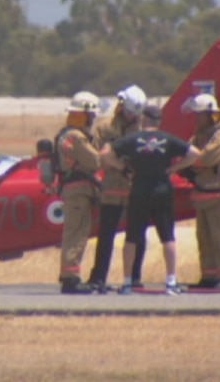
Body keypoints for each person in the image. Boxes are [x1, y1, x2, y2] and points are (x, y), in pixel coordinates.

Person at [101, 105, 200, 296]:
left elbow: (105, 154)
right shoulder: (168, 139)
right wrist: (174, 168)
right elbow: (195, 154)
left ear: (144, 120)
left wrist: (122, 168)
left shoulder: (132, 139)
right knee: (168, 237)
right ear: (159, 121)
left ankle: (128, 283)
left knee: (132, 237)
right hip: (163, 190)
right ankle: (171, 282)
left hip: (139, 190)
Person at [88, 85, 148, 294]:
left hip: (137, 190)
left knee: (137, 235)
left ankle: (134, 278)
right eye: (130, 112)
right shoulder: (106, 128)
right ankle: (98, 278)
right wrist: (119, 165)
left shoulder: (144, 130)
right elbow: (98, 157)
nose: (132, 117)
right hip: (112, 189)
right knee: (106, 236)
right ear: (122, 106)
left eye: (136, 114)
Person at [177, 93, 220, 289]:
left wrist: (191, 161)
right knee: (205, 240)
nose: (197, 120)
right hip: (203, 197)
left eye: (200, 115)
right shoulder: (198, 137)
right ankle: (209, 276)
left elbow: (206, 159)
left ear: (211, 115)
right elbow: (184, 157)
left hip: (219, 197)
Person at [55, 91, 103, 294]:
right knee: (76, 234)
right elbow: (95, 161)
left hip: (74, 190)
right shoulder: (77, 137)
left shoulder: (66, 134)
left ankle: (70, 276)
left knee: (76, 233)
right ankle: (70, 279)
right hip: (79, 191)